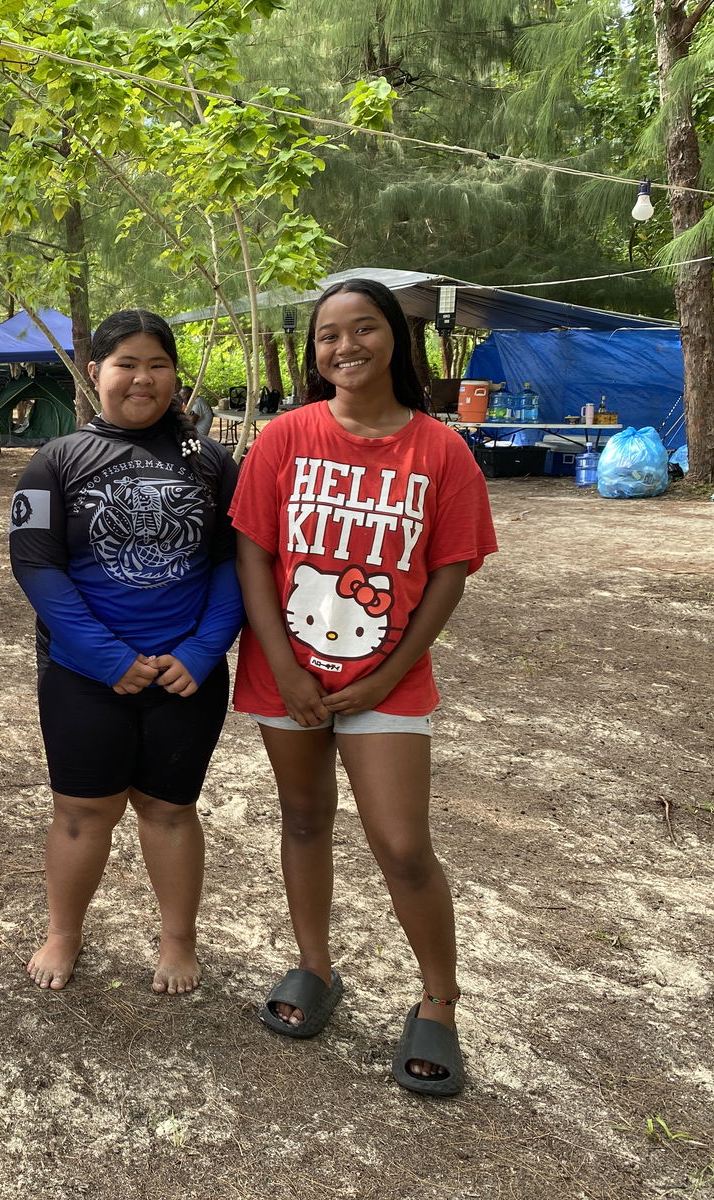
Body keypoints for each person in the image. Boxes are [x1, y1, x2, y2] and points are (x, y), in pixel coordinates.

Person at [229, 279, 497, 1096]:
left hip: (389, 678)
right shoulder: (284, 439)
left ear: (396, 340)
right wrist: (281, 666)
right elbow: (253, 554)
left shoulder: (440, 451)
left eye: (363, 329)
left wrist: (385, 671)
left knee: (403, 846)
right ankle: (315, 967)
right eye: (326, 337)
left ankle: (439, 1002)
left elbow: (450, 573)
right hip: (289, 677)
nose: (344, 347)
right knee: (304, 820)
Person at [9, 310, 242, 995]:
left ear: (175, 376)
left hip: (185, 676)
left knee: (169, 810)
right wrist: (106, 656)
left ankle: (178, 940)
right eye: (126, 365)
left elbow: (234, 565)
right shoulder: (54, 462)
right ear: (95, 374)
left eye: (158, 365)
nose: (143, 379)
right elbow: (36, 567)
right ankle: (64, 933)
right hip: (84, 674)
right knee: (82, 813)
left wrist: (202, 650)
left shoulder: (211, 462)